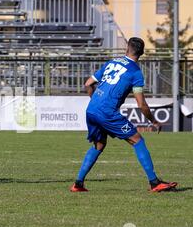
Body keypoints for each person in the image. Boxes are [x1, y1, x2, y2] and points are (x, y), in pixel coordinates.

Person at [70, 37, 178, 193]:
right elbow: (141, 104)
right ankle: (154, 183)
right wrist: (154, 121)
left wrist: (95, 100)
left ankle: (78, 184)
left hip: (92, 109)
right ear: (141, 53)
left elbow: (88, 83)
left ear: (127, 48)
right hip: (107, 112)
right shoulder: (136, 72)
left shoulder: (111, 62)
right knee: (137, 140)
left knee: (99, 144)